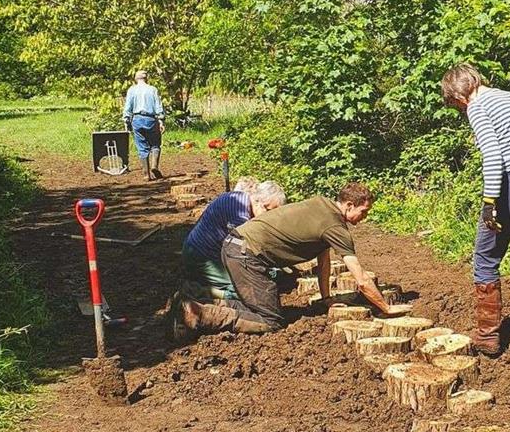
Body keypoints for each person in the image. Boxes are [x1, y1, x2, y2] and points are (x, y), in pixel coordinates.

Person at [174, 182, 395, 336]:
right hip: (246, 254)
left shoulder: (320, 206)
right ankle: (200, 314)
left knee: (256, 304)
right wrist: (386, 308)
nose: (364, 218)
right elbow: (362, 280)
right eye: (363, 212)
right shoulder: (335, 226)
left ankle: (197, 297)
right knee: (270, 320)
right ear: (348, 206)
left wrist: (326, 298)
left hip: (236, 247)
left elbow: (324, 262)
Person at [442, 63, 510, 362]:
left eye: (456, 105)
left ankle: (488, 337)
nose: (460, 111)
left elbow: (492, 156)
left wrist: (490, 202)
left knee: (486, 258)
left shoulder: (478, 106)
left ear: (458, 94)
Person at [181, 178, 287, 302]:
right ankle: (200, 291)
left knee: (269, 276)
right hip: (202, 257)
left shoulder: (241, 200)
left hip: (210, 253)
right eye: (269, 212)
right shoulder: (240, 215)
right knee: (250, 290)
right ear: (259, 202)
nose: (270, 218)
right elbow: (243, 253)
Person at [122, 70, 165, 181]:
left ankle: (146, 174)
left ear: (136, 79)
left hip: (137, 119)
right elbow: (158, 105)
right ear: (147, 78)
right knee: (155, 144)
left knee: (142, 147)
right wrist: (161, 120)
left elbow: (128, 107)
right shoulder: (152, 89)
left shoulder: (132, 90)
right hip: (150, 119)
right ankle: (154, 166)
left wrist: (126, 120)